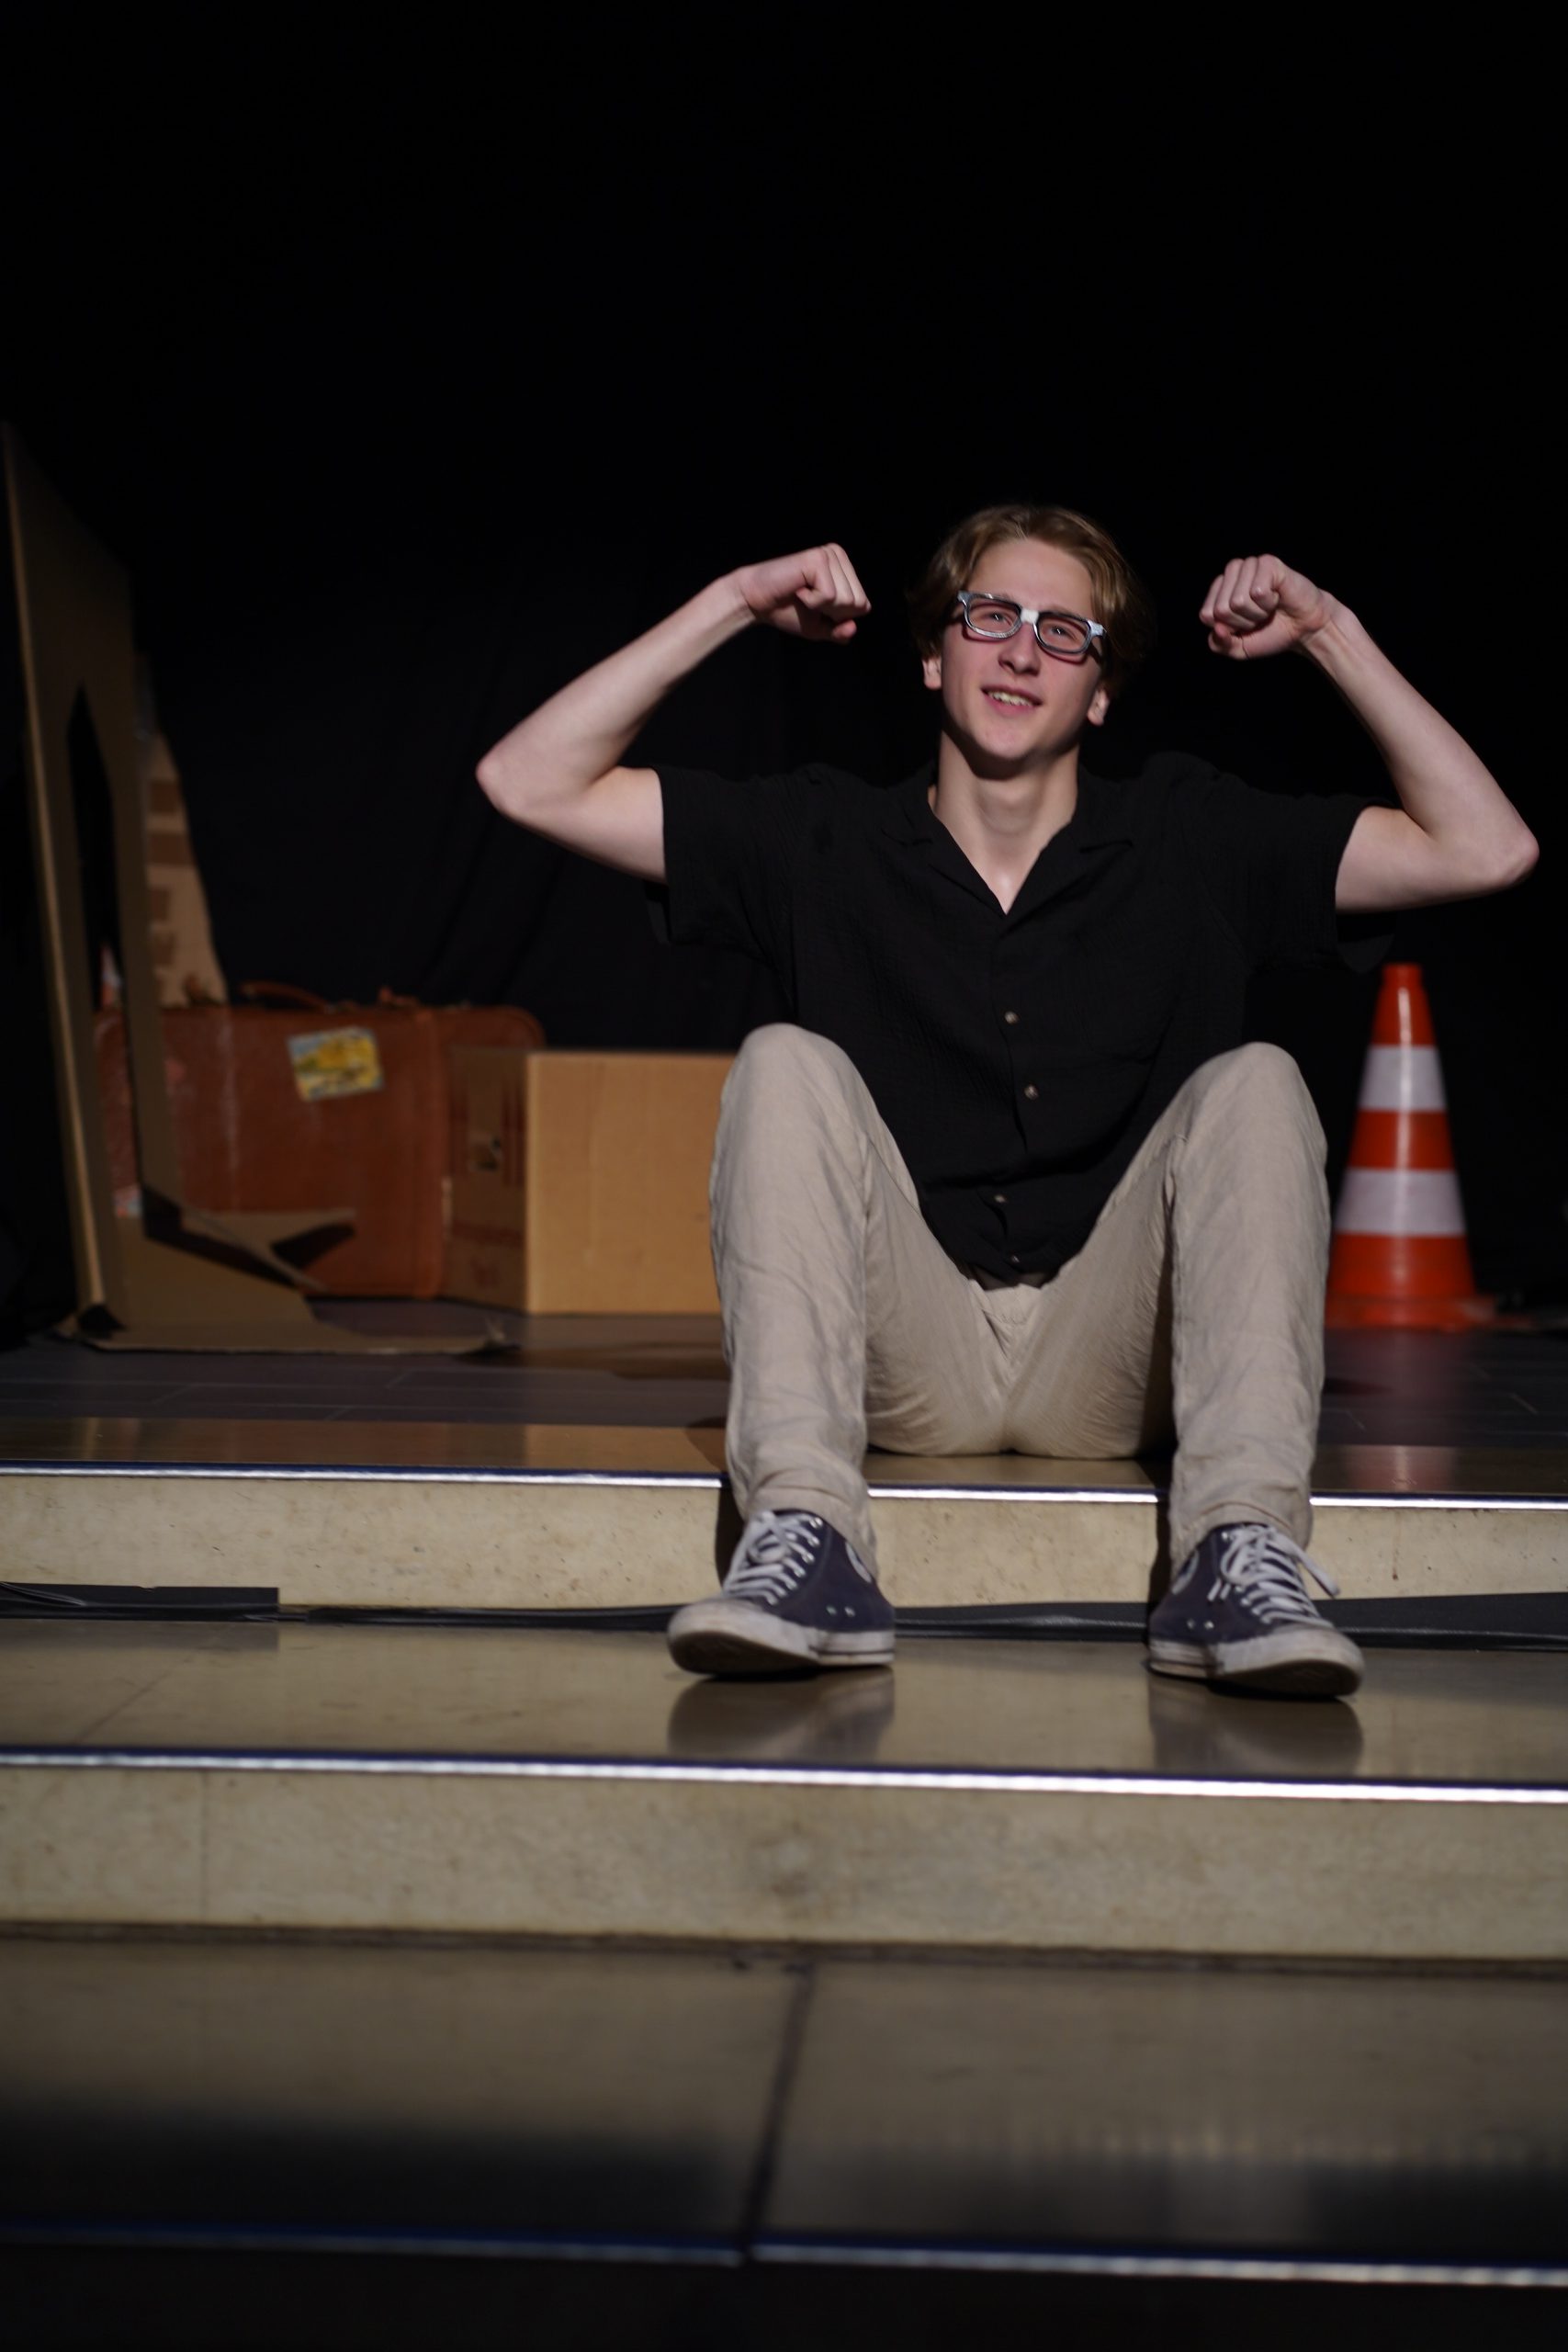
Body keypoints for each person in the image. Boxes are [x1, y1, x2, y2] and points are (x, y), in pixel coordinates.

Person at [477, 505, 1536, 1700]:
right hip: (910, 1351)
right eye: (990, 617)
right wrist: (731, 601)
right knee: (782, 1061)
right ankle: (808, 1544)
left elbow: (1486, 848)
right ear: (936, 656)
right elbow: (527, 780)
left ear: (1101, 694)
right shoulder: (821, 838)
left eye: (1064, 632)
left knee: (1258, 1082)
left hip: (1111, 1356)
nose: (1023, 651)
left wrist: (1331, 630)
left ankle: (1238, 1556)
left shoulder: (1190, 835)